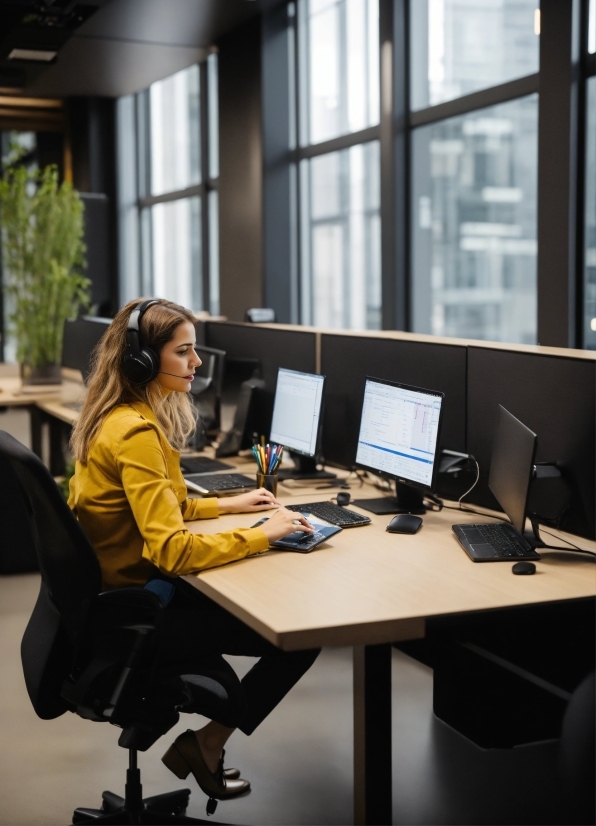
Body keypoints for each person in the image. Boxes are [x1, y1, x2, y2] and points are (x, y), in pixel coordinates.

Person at [68, 297, 319, 804]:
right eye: (184, 352)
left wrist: (228, 506)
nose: (197, 363)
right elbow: (172, 552)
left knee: (275, 614)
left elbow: (164, 506)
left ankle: (206, 744)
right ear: (143, 360)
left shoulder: (118, 417)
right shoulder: (137, 433)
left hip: (120, 596)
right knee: (298, 634)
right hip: (137, 608)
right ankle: (207, 743)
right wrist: (263, 533)